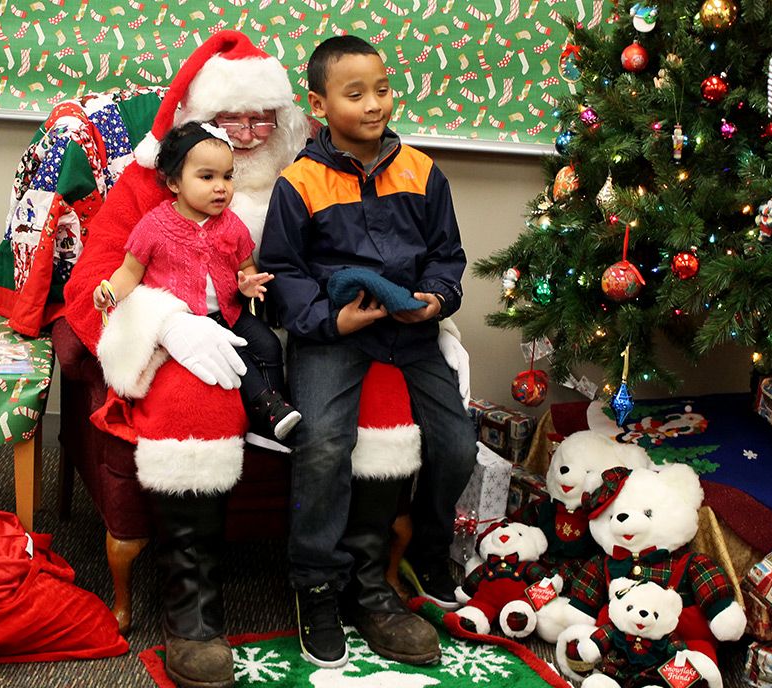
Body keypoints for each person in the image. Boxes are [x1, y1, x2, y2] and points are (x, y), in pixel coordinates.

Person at [62, 31, 468, 688]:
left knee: (386, 402)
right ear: (200, 126)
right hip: (199, 348)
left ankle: (366, 585)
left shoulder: (316, 170)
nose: (248, 134)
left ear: (289, 118)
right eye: (230, 120)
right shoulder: (153, 187)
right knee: (198, 399)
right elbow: (95, 282)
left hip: (323, 340)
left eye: (262, 118)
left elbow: (414, 249)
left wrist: (430, 316)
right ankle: (192, 606)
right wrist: (166, 323)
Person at [258, 35, 478, 668]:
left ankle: (424, 554)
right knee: (324, 443)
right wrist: (333, 320)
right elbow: (283, 276)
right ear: (319, 104)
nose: (374, 103)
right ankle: (318, 586)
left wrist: (437, 298)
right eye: (355, 94)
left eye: (381, 89)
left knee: (457, 442)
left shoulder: (422, 171)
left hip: (411, 332)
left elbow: (447, 256)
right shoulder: (298, 183)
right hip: (337, 335)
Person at [93, 121, 301, 440]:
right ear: (175, 182)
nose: (221, 187)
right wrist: (110, 290)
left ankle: (270, 415)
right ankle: (269, 409)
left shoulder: (231, 226)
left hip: (229, 313)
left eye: (227, 177)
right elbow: (130, 272)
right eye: (207, 177)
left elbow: (246, 267)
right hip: (187, 322)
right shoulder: (155, 226)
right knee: (238, 358)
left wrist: (246, 284)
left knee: (268, 345)